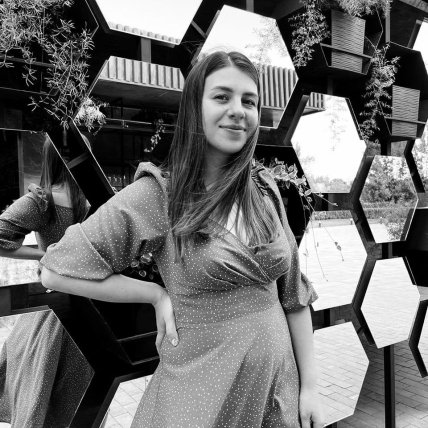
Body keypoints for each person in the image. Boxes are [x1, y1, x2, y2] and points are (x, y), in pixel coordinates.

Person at [41, 51, 324, 428]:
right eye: (221, 97)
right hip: (199, 401)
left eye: (249, 101)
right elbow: (55, 270)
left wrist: (311, 387)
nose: (238, 110)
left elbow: (294, 297)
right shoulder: (160, 196)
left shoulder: (264, 192)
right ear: (194, 108)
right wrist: (154, 294)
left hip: (275, 395)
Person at [0, 137, 92, 427]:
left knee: (39, 386)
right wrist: (49, 254)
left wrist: (45, 254)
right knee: (82, 395)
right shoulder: (94, 201)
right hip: (91, 305)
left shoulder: (45, 201)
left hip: (57, 306)